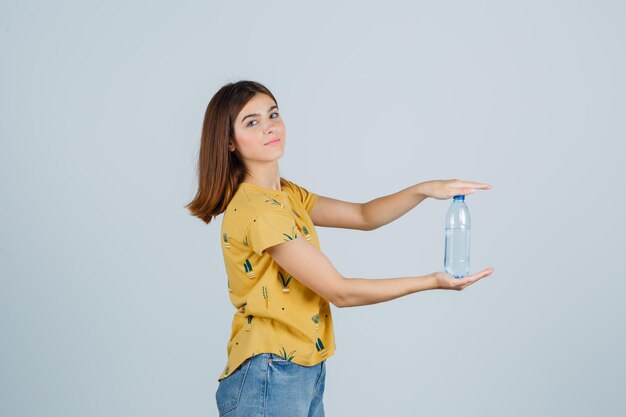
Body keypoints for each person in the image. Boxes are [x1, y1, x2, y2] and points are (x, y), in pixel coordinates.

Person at [185, 80, 495, 417]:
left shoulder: (287, 195)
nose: (270, 126)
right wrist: (432, 282)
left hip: (303, 368)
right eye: (252, 122)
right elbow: (341, 292)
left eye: (273, 114)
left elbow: (364, 215)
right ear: (229, 142)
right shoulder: (259, 210)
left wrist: (425, 189)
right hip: (270, 372)